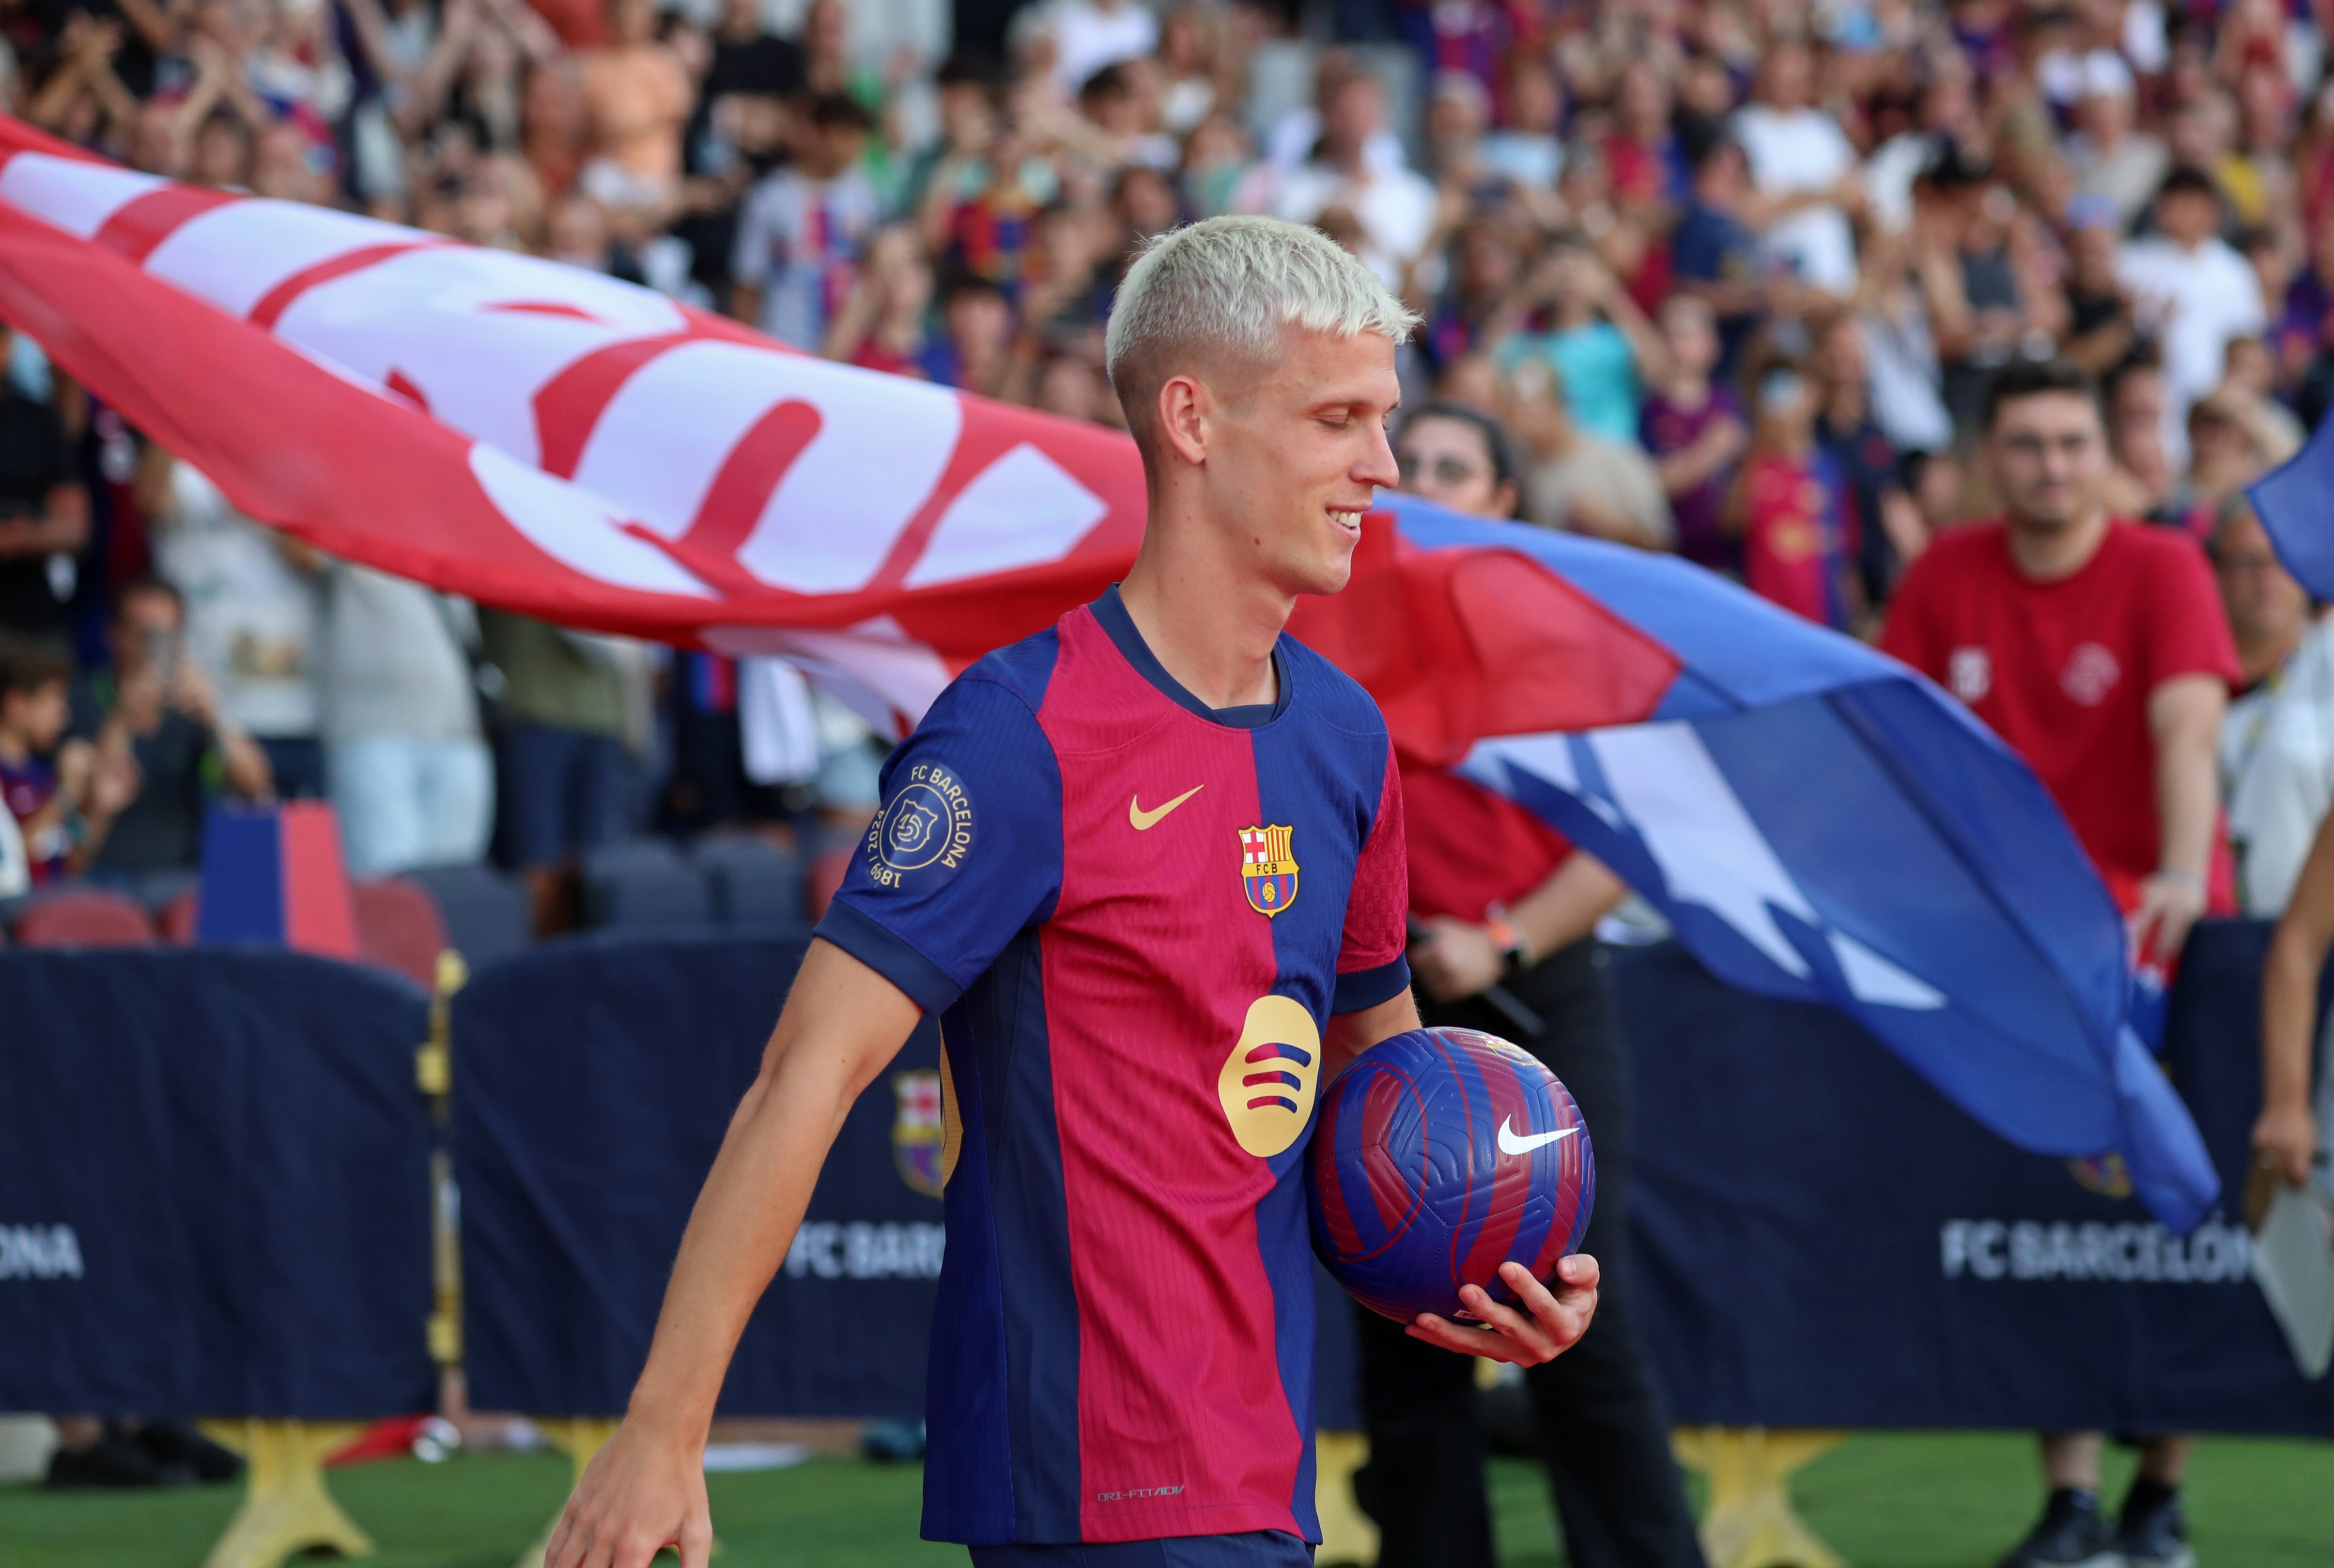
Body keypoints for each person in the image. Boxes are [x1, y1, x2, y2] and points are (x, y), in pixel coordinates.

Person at [542, 216, 1601, 1568]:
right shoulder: (1015, 734)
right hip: (1082, 1483)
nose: (1381, 467)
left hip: (1261, 1478)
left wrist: (1477, 1266)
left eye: (1382, 421)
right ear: (1193, 419)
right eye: (1339, 418)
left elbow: (1389, 1105)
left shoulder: (1343, 738)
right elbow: (802, 1076)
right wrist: (663, 1425)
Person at [1880, 360, 2239, 1568]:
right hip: (2018, 954)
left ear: (2108, 453)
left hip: (2162, 938)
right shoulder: (1944, 573)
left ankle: (2162, 1494)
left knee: (2181, 1214)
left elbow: (2186, 727)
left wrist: (2184, 870)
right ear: (1987, 456)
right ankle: (2073, 1498)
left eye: (2072, 441)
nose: (2051, 465)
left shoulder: (2163, 565)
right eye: (2026, 443)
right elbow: (1913, 758)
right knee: (2043, 1222)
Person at [1371, 402, 1707, 1568]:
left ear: (1504, 498)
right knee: (1399, 1325)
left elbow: (1627, 838)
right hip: (1384, 1016)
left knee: (1571, 1311)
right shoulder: (1320, 619)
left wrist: (1502, 941)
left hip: (1537, 999)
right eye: (1406, 462)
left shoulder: (1555, 635)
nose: (1422, 481)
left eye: (1453, 468)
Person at [76, 578, 273, 878]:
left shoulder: (191, 706)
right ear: (114, 634)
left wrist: (214, 716)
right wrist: (123, 719)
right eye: (145, 635)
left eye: (167, 636)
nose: (155, 648)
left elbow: (256, 785)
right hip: (101, 875)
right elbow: (87, 802)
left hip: (182, 876)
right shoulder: (82, 700)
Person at [2212, 498, 2334, 917]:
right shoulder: (2187, 682)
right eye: (2249, 562)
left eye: (2282, 561)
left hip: (2313, 934)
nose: (2266, 580)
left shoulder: (2328, 660)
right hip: (2209, 932)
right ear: (2217, 573)